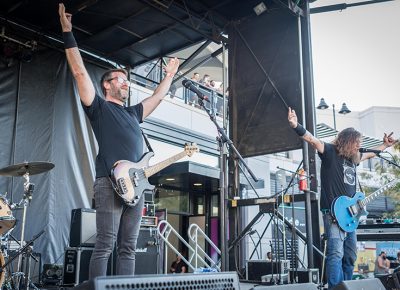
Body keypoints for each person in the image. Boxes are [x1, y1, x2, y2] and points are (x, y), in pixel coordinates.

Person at [58, 4, 179, 279]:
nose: (126, 84)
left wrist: (170, 74)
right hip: (109, 182)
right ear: (107, 85)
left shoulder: (133, 113)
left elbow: (157, 97)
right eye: (121, 80)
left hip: (135, 184)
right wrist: (67, 32)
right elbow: (78, 72)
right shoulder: (98, 107)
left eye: (127, 81)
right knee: (105, 245)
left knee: (128, 248)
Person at [288, 107, 397, 289]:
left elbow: (371, 153)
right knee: (336, 254)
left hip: (350, 216)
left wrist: (385, 145)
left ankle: (345, 285)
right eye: (356, 142)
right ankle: (335, 287)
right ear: (347, 141)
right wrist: (295, 125)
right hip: (333, 213)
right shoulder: (330, 151)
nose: (358, 145)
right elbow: (311, 140)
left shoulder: (354, 159)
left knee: (350, 255)